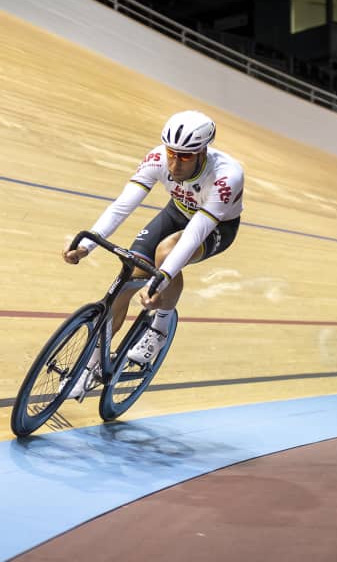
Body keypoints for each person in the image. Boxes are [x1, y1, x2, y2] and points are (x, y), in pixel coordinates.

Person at [63, 110, 244, 399]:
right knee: (126, 282)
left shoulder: (226, 176)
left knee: (167, 253)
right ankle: (91, 368)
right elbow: (123, 205)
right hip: (177, 213)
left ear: (203, 152)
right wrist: (88, 245)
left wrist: (158, 284)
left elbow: (195, 233)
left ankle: (159, 329)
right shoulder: (157, 158)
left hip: (215, 226)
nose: (174, 162)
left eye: (185, 156)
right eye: (172, 153)